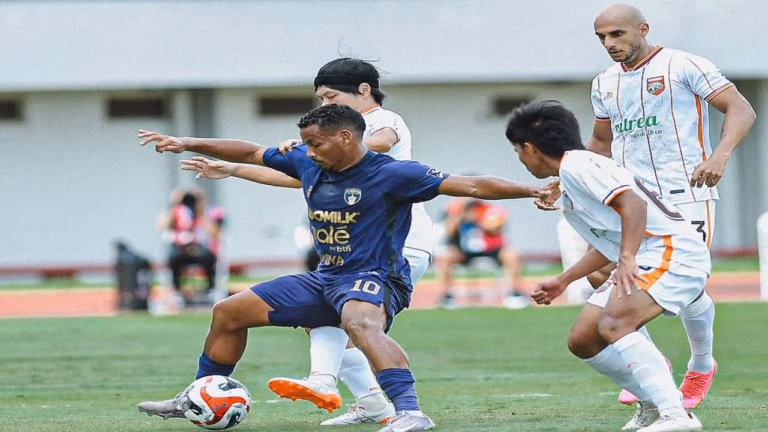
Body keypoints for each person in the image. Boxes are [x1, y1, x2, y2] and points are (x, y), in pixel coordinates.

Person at [136, 104, 555, 432]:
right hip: (326, 278)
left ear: (345, 137)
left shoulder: (394, 174)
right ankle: (196, 394)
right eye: (306, 144)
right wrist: (185, 142)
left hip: (378, 277)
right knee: (228, 312)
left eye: (316, 144)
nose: (308, 152)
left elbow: (472, 184)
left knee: (359, 322)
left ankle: (410, 413)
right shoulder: (309, 163)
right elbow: (249, 151)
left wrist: (532, 189)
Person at [182, 58, 437, 425]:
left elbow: (379, 144)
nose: (324, 104)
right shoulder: (332, 148)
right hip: (355, 245)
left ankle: (330, 382)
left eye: (331, 96)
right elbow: (298, 177)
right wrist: (236, 169)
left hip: (397, 243)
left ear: (364, 90)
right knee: (321, 316)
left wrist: (321, 145)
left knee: (354, 320)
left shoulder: (384, 120)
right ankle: (369, 401)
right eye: (320, 98)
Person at [585, 3, 756, 408]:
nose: (609, 43)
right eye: (602, 37)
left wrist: (719, 156)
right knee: (599, 274)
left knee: (687, 285)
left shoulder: (684, 65)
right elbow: (600, 143)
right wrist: (570, 177)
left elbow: (741, 109)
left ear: (643, 29)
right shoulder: (604, 83)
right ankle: (651, 360)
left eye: (617, 34)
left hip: (686, 194)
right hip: (630, 201)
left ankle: (701, 364)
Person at [512, 100, 708, 431]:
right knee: (583, 339)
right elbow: (611, 240)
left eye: (517, 150)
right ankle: (651, 404)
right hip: (651, 251)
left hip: (672, 251)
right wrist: (565, 279)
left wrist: (627, 259)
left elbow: (634, 205)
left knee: (616, 323)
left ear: (530, 148)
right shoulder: (573, 171)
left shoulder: (579, 167)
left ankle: (676, 415)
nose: (519, 158)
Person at [435, 197, 528, 309]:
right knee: (444, 256)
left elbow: (495, 228)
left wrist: (478, 218)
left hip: (492, 249)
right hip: (463, 251)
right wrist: (461, 215)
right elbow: (449, 230)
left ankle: (515, 292)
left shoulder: (490, 209)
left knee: (513, 255)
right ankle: (448, 295)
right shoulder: (453, 209)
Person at [162, 190, 218, 305]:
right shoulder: (177, 212)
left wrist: (200, 211)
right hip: (181, 249)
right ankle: (177, 291)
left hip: (198, 248)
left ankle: (210, 290)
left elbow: (214, 232)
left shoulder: (205, 213)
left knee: (209, 258)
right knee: (174, 258)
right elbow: (164, 225)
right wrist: (175, 205)